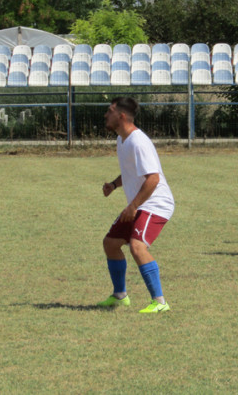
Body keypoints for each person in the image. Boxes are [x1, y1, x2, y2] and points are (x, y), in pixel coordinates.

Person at [97, 97, 175, 313]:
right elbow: (133, 172)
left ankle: (160, 302)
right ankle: (120, 296)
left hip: (156, 203)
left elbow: (153, 179)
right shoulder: (122, 140)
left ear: (121, 116)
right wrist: (114, 184)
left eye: (110, 111)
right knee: (111, 243)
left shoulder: (138, 142)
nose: (106, 115)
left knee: (137, 246)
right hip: (141, 203)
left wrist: (132, 207)